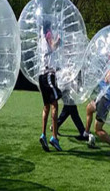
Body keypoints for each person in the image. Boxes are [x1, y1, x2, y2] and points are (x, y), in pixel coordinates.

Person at [38, 20, 63, 152]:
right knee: (55, 105)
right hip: (48, 75)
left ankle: (43, 134)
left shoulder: (40, 39)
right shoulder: (48, 35)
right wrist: (58, 40)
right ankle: (54, 137)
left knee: (46, 106)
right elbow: (53, 46)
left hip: (42, 75)